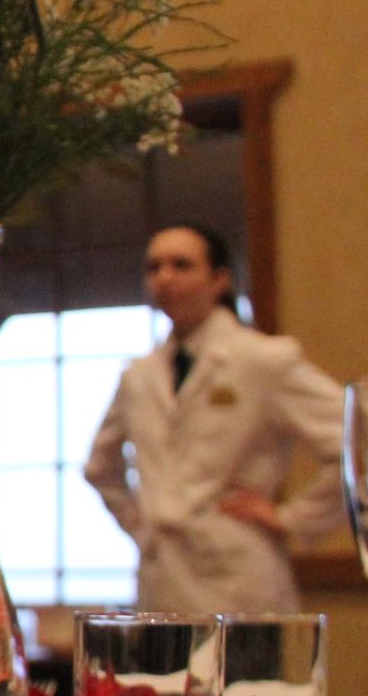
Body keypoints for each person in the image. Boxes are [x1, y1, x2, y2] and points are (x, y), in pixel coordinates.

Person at [83, 223, 342, 614]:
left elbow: (358, 439)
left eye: (181, 265)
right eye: (154, 267)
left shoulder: (261, 361)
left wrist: (294, 518)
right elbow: (100, 467)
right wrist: (142, 525)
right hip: (161, 578)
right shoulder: (139, 375)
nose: (164, 278)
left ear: (220, 279)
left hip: (237, 579)